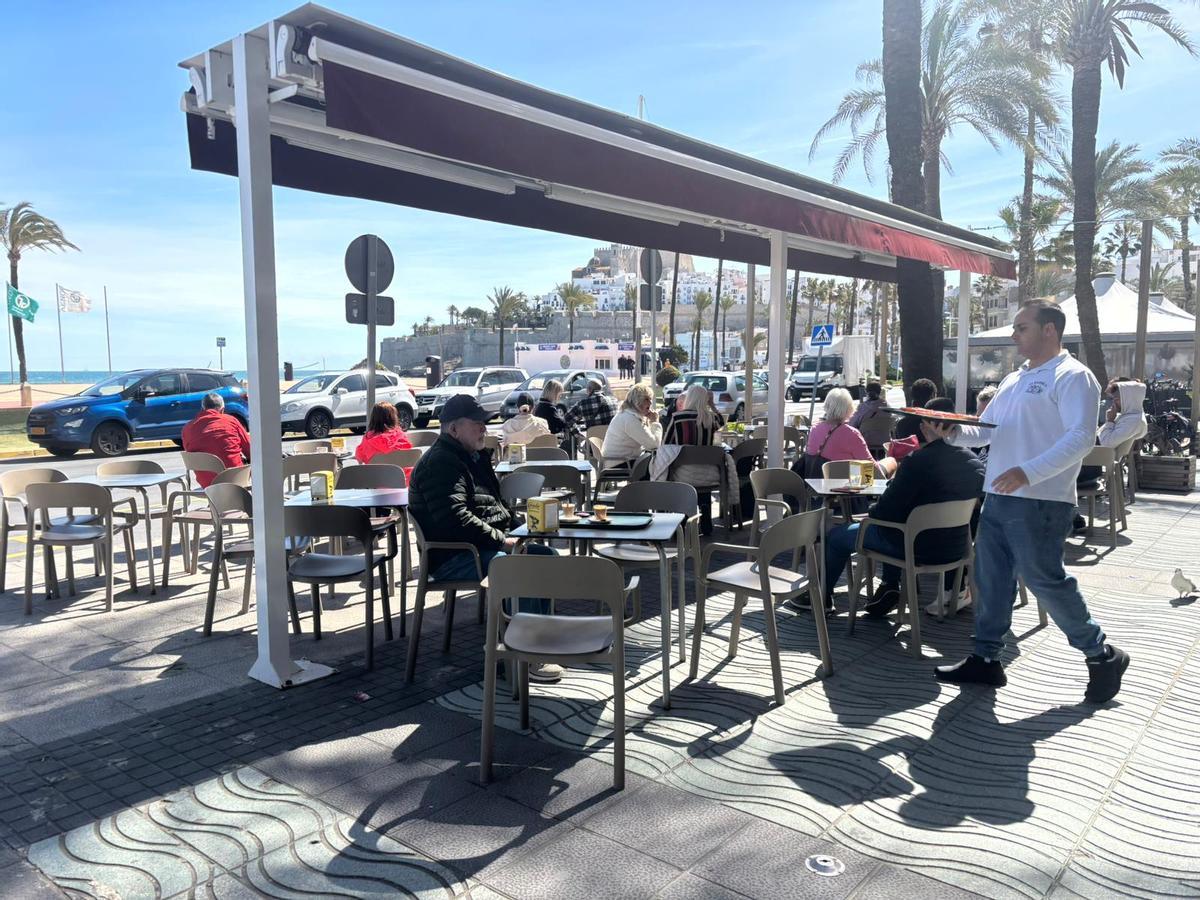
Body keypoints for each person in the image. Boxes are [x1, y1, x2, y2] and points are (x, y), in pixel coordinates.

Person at [929, 300, 1129, 703]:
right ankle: (986, 659)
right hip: (998, 496)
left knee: (1044, 582)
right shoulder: (1014, 378)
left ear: (1049, 330)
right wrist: (952, 433)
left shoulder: (1074, 376)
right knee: (991, 579)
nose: (1014, 335)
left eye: (1022, 327)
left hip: (1041, 500)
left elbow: (1080, 438)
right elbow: (987, 430)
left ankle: (1101, 654)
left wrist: (1029, 471)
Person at [407, 395, 560, 681]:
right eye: (476, 423)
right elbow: (456, 519)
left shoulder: (470, 457)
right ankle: (523, 657)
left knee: (547, 557)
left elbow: (495, 506)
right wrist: (503, 541)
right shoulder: (441, 462)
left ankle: (538, 641)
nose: (484, 429)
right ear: (454, 429)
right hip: (452, 555)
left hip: (474, 547)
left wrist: (521, 530)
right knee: (520, 566)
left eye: (484, 423)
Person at [819, 413, 985, 615]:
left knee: (838, 536)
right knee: (895, 526)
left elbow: (885, 512)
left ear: (923, 430)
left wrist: (871, 511)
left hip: (913, 547)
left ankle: (820, 598)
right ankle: (888, 585)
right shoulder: (974, 463)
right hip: (956, 548)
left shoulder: (916, 462)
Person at [1071, 377, 1147, 531]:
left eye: (1117, 399)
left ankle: (1072, 519)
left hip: (1089, 470)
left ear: (1128, 399)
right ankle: (1072, 518)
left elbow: (1106, 443)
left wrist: (1109, 421)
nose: (1113, 403)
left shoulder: (1133, 421)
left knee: (1050, 478)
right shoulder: (1127, 417)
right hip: (1088, 464)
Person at [181, 392, 250, 487]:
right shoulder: (231, 421)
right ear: (222, 410)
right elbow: (249, 449)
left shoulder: (187, 429)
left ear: (203, 408)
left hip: (208, 485)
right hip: (235, 481)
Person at [800, 387, 873, 472]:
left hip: (815, 478)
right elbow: (869, 466)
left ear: (827, 405)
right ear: (849, 408)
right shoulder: (852, 434)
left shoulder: (814, 429)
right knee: (885, 463)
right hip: (845, 479)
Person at [601, 383, 662, 461]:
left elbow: (648, 440)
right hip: (620, 463)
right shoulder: (630, 419)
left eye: (650, 399)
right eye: (646, 399)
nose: (650, 402)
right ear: (637, 401)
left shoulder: (626, 413)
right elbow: (654, 445)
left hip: (618, 460)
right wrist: (655, 422)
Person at [354, 402, 414, 475]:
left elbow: (360, 459)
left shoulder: (367, 439)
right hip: (402, 479)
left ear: (373, 418)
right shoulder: (401, 436)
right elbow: (410, 457)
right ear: (393, 418)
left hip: (376, 479)